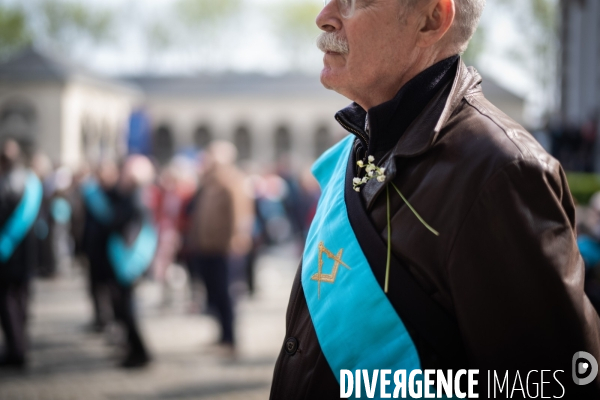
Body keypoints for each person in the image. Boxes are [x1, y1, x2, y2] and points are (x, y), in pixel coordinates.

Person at [269, 0, 600, 398]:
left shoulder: (502, 170)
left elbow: (555, 383)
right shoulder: (359, 147)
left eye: (355, 2)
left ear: (432, 19)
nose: (325, 15)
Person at [0, 140, 42, 368]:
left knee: (8, 304)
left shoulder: (6, 184)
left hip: (8, 257)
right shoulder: (31, 182)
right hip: (26, 256)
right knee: (22, 302)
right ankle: (20, 344)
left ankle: (16, 350)